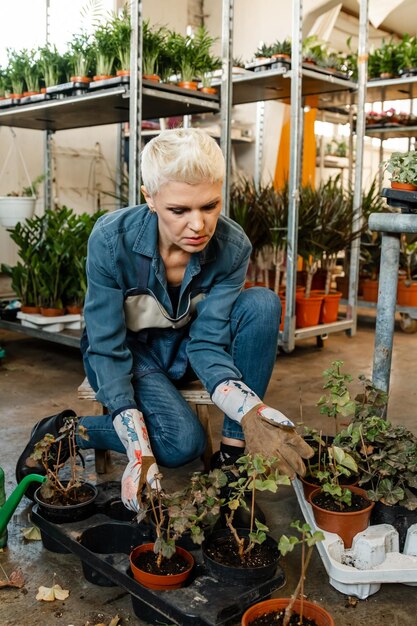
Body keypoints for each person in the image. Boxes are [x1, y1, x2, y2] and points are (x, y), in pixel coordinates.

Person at [16, 128, 313, 512]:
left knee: (261, 304)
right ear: (150, 198)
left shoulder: (232, 246)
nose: (198, 225)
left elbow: (208, 342)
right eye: (179, 210)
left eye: (210, 206)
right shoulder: (111, 240)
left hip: (186, 348)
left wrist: (250, 411)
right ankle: (68, 433)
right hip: (131, 352)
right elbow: (106, 343)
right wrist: (138, 447)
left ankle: (233, 457)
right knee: (180, 445)